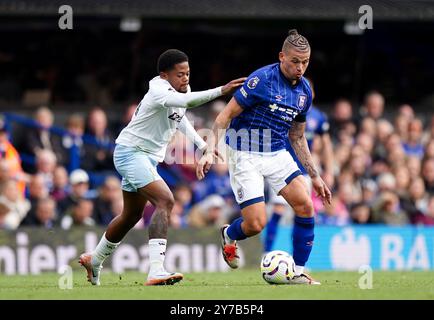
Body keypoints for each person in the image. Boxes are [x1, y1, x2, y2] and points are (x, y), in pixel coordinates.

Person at [79, 48, 245, 286]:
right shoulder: (158, 89)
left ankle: (94, 259)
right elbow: (186, 101)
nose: (185, 78)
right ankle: (156, 270)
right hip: (130, 153)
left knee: (130, 215)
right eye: (180, 74)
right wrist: (222, 90)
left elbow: (180, 117)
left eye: (187, 73)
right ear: (164, 75)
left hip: (146, 158)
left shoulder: (181, 90)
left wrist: (202, 145)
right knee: (165, 200)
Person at [197, 29, 331, 285]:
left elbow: (298, 136)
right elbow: (225, 116)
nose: (300, 67)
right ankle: (229, 233)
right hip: (244, 151)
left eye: (305, 62)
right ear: (282, 56)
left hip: (277, 151)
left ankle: (298, 271)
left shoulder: (304, 93)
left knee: (305, 206)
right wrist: (209, 149)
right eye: (295, 61)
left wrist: (315, 176)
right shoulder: (261, 80)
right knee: (257, 223)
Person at [263, 78, 334, 253]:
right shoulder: (286, 110)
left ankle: (297, 257)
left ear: (312, 93)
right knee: (278, 210)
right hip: (282, 168)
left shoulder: (318, 117)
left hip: (305, 171)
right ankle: (266, 253)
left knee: (302, 212)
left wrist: (329, 170)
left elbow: (326, 144)